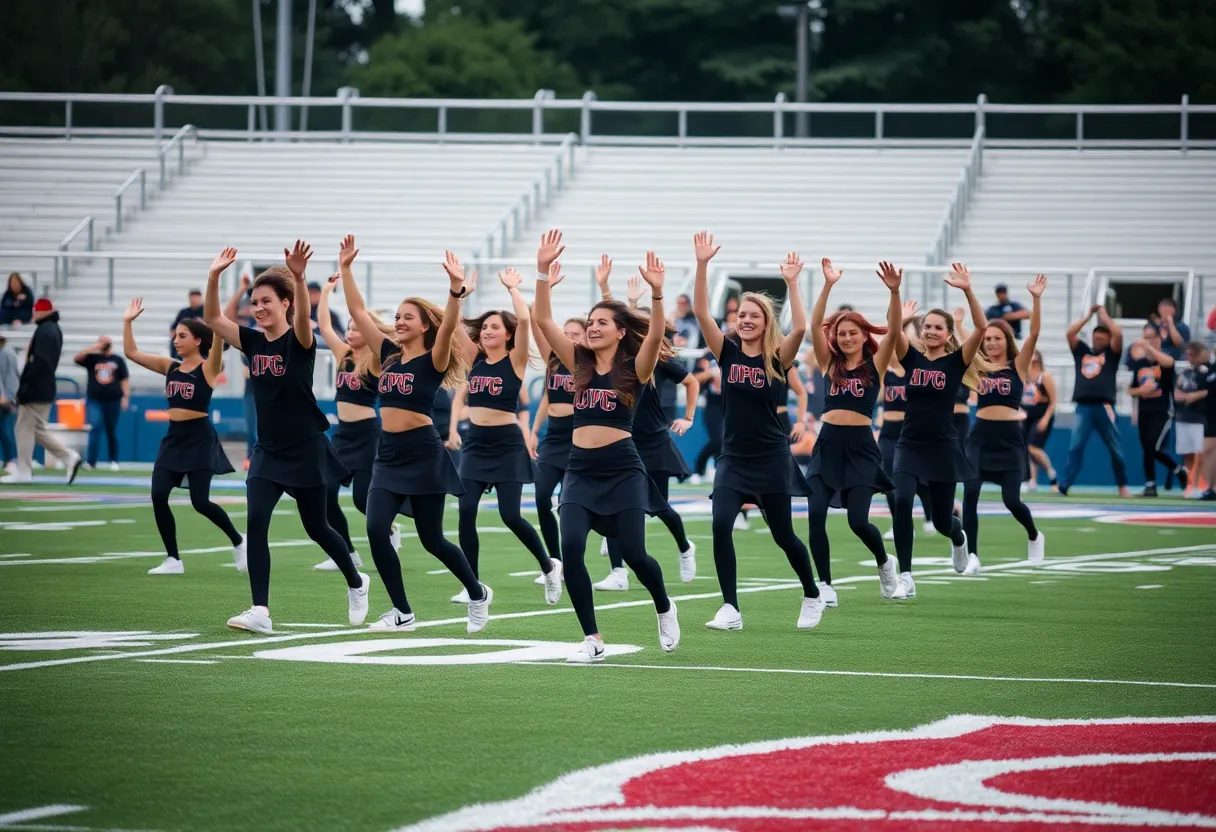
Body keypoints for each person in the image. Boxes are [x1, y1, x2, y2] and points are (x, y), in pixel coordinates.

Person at [203, 243, 369, 634]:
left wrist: (296, 276)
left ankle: (356, 580)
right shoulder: (252, 341)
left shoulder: (300, 340)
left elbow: (305, 321)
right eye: (255, 302)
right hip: (268, 451)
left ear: (284, 304)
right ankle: (260, 610)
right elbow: (211, 318)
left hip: (307, 448)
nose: (259, 308)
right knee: (257, 522)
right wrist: (214, 276)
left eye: (266, 301)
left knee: (317, 527)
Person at [532, 229, 680, 662]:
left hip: (623, 469)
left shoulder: (635, 367)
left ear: (618, 332)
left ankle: (664, 604)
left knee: (635, 553)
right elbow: (543, 321)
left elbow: (654, 336)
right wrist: (542, 272)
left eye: (601, 323)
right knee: (571, 547)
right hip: (580, 469)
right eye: (590, 322)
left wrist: (656, 294)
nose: (593, 328)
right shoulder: (576, 361)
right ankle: (593, 639)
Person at [338, 237, 491, 632]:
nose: (400, 322)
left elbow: (450, 327)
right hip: (387, 453)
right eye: (398, 317)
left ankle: (477, 592)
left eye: (409, 317)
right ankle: (402, 611)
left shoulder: (433, 358)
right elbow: (357, 309)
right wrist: (347, 269)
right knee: (374, 528)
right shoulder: (387, 354)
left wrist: (455, 291)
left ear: (424, 325)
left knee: (432, 540)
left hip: (423, 453)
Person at [691, 233, 822, 632]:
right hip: (733, 458)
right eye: (741, 315)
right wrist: (701, 265)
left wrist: (794, 283)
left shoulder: (778, 357)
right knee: (719, 524)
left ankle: (812, 593)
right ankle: (730, 607)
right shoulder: (726, 352)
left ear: (765, 323)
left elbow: (800, 327)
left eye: (754, 316)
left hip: (771, 459)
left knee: (784, 535)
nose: (745, 320)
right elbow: (700, 312)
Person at [448, 267, 562, 606]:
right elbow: (453, 325)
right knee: (465, 511)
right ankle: (473, 585)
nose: (486, 332)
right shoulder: (474, 359)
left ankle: (549, 566)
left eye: (494, 327)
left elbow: (526, 322)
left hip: (508, 445)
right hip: (476, 445)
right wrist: (461, 293)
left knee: (510, 515)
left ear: (508, 335)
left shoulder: (515, 360)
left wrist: (513, 289)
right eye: (483, 327)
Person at [121, 298, 245, 575]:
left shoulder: (209, 368)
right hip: (173, 438)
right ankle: (173, 559)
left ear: (198, 340)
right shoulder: (170, 366)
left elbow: (218, 336)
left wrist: (231, 300)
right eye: (175, 336)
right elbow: (131, 352)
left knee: (200, 502)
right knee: (158, 494)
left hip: (200, 439)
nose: (176, 340)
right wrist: (127, 321)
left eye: (182, 336)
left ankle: (239, 541)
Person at [890, 263, 990, 598]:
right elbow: (892, 333)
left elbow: (981, 327)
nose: (931, 331)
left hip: (944, 448)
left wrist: (967, 290)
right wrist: (895, 293)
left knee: (943, 521)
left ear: (948, 334)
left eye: (937, 327)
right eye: (926, 326)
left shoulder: (956, 362)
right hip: (910, 444)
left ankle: (959, 539)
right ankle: (906, 575)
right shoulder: (912, 359)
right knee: (901, 500)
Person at [804, 258, 901, 603]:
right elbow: (815, 325)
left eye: (852, 333)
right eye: (841, 333)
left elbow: (894, 328)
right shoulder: (829, 363)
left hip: (860, 448)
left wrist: (894, 292)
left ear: (864, 336)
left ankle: (884, 561)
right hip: (827, 446)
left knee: (858, 522)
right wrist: (828, 285)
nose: (845, 338)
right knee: (815, 516)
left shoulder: (876, 363)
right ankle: (825, 585)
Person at [595, 274, 699, 591]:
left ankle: (684, 546)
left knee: (659, 508)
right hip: (622, 443)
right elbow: (614, 321)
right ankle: (618, 572)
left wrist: (689, 417)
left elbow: (691, 382)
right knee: (613, 507)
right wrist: (606, 291)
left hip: (654, 442)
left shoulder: (658, 358)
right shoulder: (614, 357)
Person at [962, 276, 1048, 575]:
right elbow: (972, 331)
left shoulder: (1018, 365)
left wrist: (1035, 299)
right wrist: (968, 290)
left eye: (997, 338)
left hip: (1010, 440)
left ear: (1006, 340)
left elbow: (1034, 333)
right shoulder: (978, 365)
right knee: (970, 492)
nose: (992, 342)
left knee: (1011, 501)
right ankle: (972, 554)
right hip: (980, 438)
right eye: (988, 339)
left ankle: (1035, 535)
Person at [312, 276, 397, 572]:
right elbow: (324, 326)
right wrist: (324, 292)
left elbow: (373, 329)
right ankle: (347, 552)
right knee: (326, 494)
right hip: (342, 435)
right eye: (347, 327)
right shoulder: (343, 355)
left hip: (367, 434)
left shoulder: (374, 359)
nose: (349, 331)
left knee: (362, 499)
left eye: (355, 327)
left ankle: (389, 530)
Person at [528, 312, 587, 578]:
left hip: (578, 437)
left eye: (575, 334)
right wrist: (534, 431)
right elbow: (547, 398)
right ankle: (554, 562)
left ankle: (574, 560)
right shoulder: (553, 358)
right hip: (553, 437)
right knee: (541, 497)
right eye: (566, 333)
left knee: (568, 505)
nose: (569, 338)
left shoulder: (587, 362)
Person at [1, 298, 82, 485]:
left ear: (42, 312)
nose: (33, 315)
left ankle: (23, 470)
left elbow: (39, 363)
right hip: (44, 386)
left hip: (37, 387)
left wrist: (25, 386)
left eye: (35, 311)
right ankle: (69, 457)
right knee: (35, 429)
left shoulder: (45, 331)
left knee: (24, 427)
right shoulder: (52, 330)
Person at [877, 302, 936, 540]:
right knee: (888, 479)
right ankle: (900, 523)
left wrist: (906, 323)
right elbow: (888, 340)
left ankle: (930, 516)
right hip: (888, 431)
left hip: (911, 430)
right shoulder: (885, 373)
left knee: (920, 481)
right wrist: (899, 321)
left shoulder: (915, 369)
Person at [1058, 305, 1129, 497]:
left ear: (1107, 339)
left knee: (1114, 447)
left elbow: (1118, 334)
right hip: (1083, 406)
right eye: (1096, 336)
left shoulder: (1111, 354)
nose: (1098, 339)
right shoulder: (1082, 352)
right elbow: (1070, 333)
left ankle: (1122, 486)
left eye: (1102, 336)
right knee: (1076, 446)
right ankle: (1064, 485)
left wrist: (1104, 316)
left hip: (1105, 406)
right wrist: (1088, 316)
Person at [1127, 325, 1188, 497]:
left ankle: (1177, 470)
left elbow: (1169, 363)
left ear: (1158, 339)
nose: (1148, 341)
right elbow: (1131, 390)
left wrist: (1148, 348)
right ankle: (1151, 484)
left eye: (1151, 337)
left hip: (1162, 410)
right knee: (1147, 448)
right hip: (1145, 410)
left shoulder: (1164, 359)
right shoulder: (1140, 363)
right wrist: (1141, 392)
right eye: (1145, 337)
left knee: (1153, 446)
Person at [73, 335, 129, 471]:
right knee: (95, 427)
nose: (104, 344)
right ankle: (91, 462)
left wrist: (126, 397)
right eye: (102, 342)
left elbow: (124, 379)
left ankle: (114, 460)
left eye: (106, 342)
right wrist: (94, 348)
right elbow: (77, 358)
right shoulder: (92, 358)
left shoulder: (118, 360)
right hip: (95, 399)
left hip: (113, 400)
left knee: (112, 431)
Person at [1174, 342, 1210, 497]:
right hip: (1184, 417)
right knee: (1187, 453)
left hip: (1199, 417)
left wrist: (1194, 396)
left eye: (1191, 354)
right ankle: (1190, 484)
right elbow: (1176, 392)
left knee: (1200, 453)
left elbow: (1209, 390)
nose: (1189, 357)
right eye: (1187, 354)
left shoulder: (1206, 372)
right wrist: (1184, 397)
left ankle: (1200, 483)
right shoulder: (1185, 372)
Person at [1021, 350, 1059, 489]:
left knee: (1033, 447)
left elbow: (1053, 401)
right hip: (1028, 416)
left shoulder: (1045, 376)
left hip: (1042, 416)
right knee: (1027, 449)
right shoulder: (1024, 376)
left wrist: (1046, 418)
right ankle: (1032, 480)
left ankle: (1051, 474)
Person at [0, 334, 19, 472]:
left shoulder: (7, 354)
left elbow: (11, 377)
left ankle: (11, 460)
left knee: (5, 430)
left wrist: (8, 396)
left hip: (3, 399)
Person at [307, 280, 345, 347]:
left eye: (314, 293)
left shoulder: (330, 314)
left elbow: (341, 335)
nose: (312, 296)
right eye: (310, 293)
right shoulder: (302, 314)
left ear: (320, 294)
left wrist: (316, 326)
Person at [170, 289, 205, 358]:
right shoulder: (184, 312)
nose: (193, 300)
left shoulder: (205, 311)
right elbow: (173, 328)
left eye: (196, 298)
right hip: (184, 337)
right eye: (192, 298)